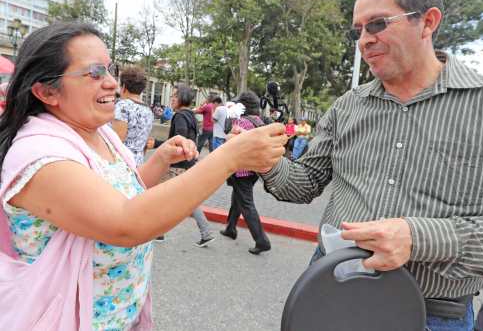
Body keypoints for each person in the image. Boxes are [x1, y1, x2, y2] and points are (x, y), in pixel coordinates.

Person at [0, 22, 287, 330]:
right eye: (95, 73)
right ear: (47, 91)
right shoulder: (40, 155)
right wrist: (228, 157)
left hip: (122, 316)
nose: (112, 82)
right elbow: (126, 222)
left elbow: (124, 191)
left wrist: (162, 158)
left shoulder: (97, 132)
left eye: (111, 70)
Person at [261, 0, 483, 331]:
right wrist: (265, 159)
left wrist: (419, 237)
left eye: (377, 24)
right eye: (358, 30)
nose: (363, 41)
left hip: (430, 313)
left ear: (428, 21)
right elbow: (304, 182)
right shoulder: (348, 105)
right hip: (332, 289)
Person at [220, 91, 271, 255]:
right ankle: (231, 228)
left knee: (246, 203)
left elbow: (228, 136)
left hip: (241, 169)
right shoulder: (259, 121)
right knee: (238, 198)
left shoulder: (241, 123)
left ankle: (261, 240)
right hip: (253, 169)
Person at [166, 84, 215, 247]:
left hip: (177, 165)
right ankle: (206, 233)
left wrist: (157, 144)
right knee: (188, 201)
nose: (171, 99)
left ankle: (156, 231)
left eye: (174, 96)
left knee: (157, 194)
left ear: (181, 99)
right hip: (187, 163)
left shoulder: (180, 116)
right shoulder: (191, 116)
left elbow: (180, 139)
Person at [111, 65, 154, 166]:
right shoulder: (148, 110)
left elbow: (117, 141)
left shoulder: (123, 106)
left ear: (124, 87)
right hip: (138, 161)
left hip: (122, 162)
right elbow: (144, 144)